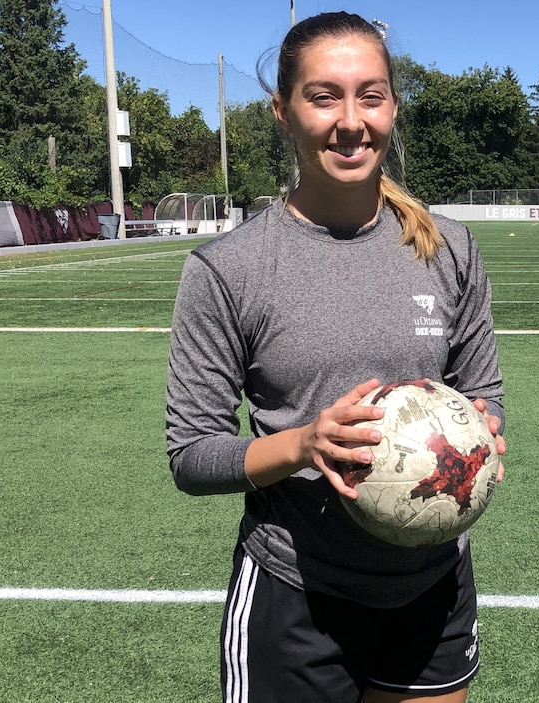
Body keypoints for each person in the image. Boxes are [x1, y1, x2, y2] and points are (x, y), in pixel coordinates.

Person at [165, 12, 505, 703]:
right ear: (283, 113)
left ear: (393, 108)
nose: (351, 121)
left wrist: (478, 436)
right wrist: (303, 443)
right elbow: (191, 455)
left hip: (431, 587)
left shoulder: (449, 248)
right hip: (297, 595)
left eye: (370, 95)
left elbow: (484, 397)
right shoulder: (228, 269)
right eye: (323, 97)